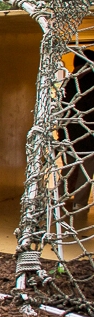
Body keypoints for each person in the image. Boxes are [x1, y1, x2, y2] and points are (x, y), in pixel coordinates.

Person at [62, 48, 94, 222]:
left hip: (70, 133)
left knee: (69, 168)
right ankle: (79, 204)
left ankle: (60, 198)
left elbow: (62, 107)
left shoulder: (70, 81)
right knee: (86, 170)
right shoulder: (91, 80)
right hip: (87, 134)